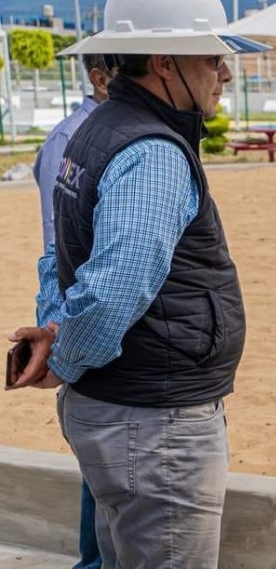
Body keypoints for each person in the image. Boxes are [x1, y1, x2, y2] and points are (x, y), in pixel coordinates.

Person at [9, 0, 269, 567]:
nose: (224, 71)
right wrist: (65, 358)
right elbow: (112, 292)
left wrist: (53, 332)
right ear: (164, 61)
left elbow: (58, 256)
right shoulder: (151, 151)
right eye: (211, 58)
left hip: (125, 413)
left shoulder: (94, 129)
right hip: (155, 423)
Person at [30, 52, 116, 569]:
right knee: (100, 461)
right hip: (85, 312)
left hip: (97, 315)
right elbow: (56, 246)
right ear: (100, 76)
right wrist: (60, 329)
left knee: (105, 462)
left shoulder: (109, 132)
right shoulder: (71, 138)